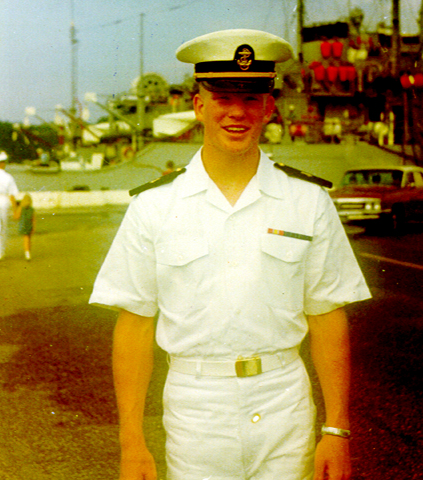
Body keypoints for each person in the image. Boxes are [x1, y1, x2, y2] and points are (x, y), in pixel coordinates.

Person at [89, 29, 371, 480]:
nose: (237, 112)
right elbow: (135, 326)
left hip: (285, 403)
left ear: (269, 106)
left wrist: (336, 430)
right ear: (199, 104)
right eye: (222, 96)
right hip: (196, 409)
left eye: (252, 97)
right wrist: (132, 445)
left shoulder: (307, 201)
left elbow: (327, 316)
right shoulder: (154, 206)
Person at [15, 193, 35, 260]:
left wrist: (15, 209)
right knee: (28, 239)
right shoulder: (32, 209)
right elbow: (34, 219)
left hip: (23, 226)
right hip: (30, 226)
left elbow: (17, 217)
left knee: (25, 239)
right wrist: (34, 228)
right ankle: (28, 251)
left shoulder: (21, 208)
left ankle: (27, 253)